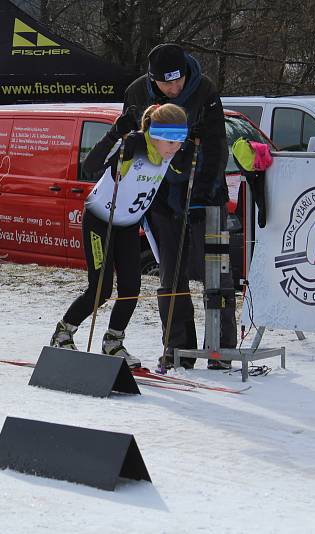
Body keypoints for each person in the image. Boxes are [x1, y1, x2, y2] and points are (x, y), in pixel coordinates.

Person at [119, 43, 235, 371]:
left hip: (205, 197)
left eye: (179, 80)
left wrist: (201, 194)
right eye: (167, 84)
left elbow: (215, 148)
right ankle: (177, 346)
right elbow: (132, 141)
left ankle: (222, 347)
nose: (175, 88)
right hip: (161, 199)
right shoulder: (136, 93)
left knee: (217, 274)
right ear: (153, 80)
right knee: (170, 277)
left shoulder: (205, 91)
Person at [50, 104, 188, 369]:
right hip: (100, 221)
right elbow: (90, 166)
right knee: (101, 288)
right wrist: (114, 135)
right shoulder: (134, 144)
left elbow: (179, 171)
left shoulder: (169, 153)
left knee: (131, 288)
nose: (175, 148)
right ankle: (64, 331)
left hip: (127, 225)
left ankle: (113, 341)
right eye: (171, 141)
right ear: (155, 134)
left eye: (180, 141)